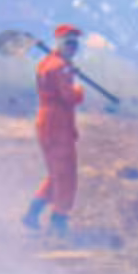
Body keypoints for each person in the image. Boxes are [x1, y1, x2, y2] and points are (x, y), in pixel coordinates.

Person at [22, 24, 86, 237]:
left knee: (56, 173)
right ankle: (59, 219)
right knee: (66, 175)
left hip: (48, 122)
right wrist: (79, 89)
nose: (73, 47)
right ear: (59, 42)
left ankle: (33, 213)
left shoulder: (48, 63)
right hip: (57, 123)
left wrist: (68, 70)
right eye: (69, 42)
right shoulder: (60, 67)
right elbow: (70, 97)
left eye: (75, 43)